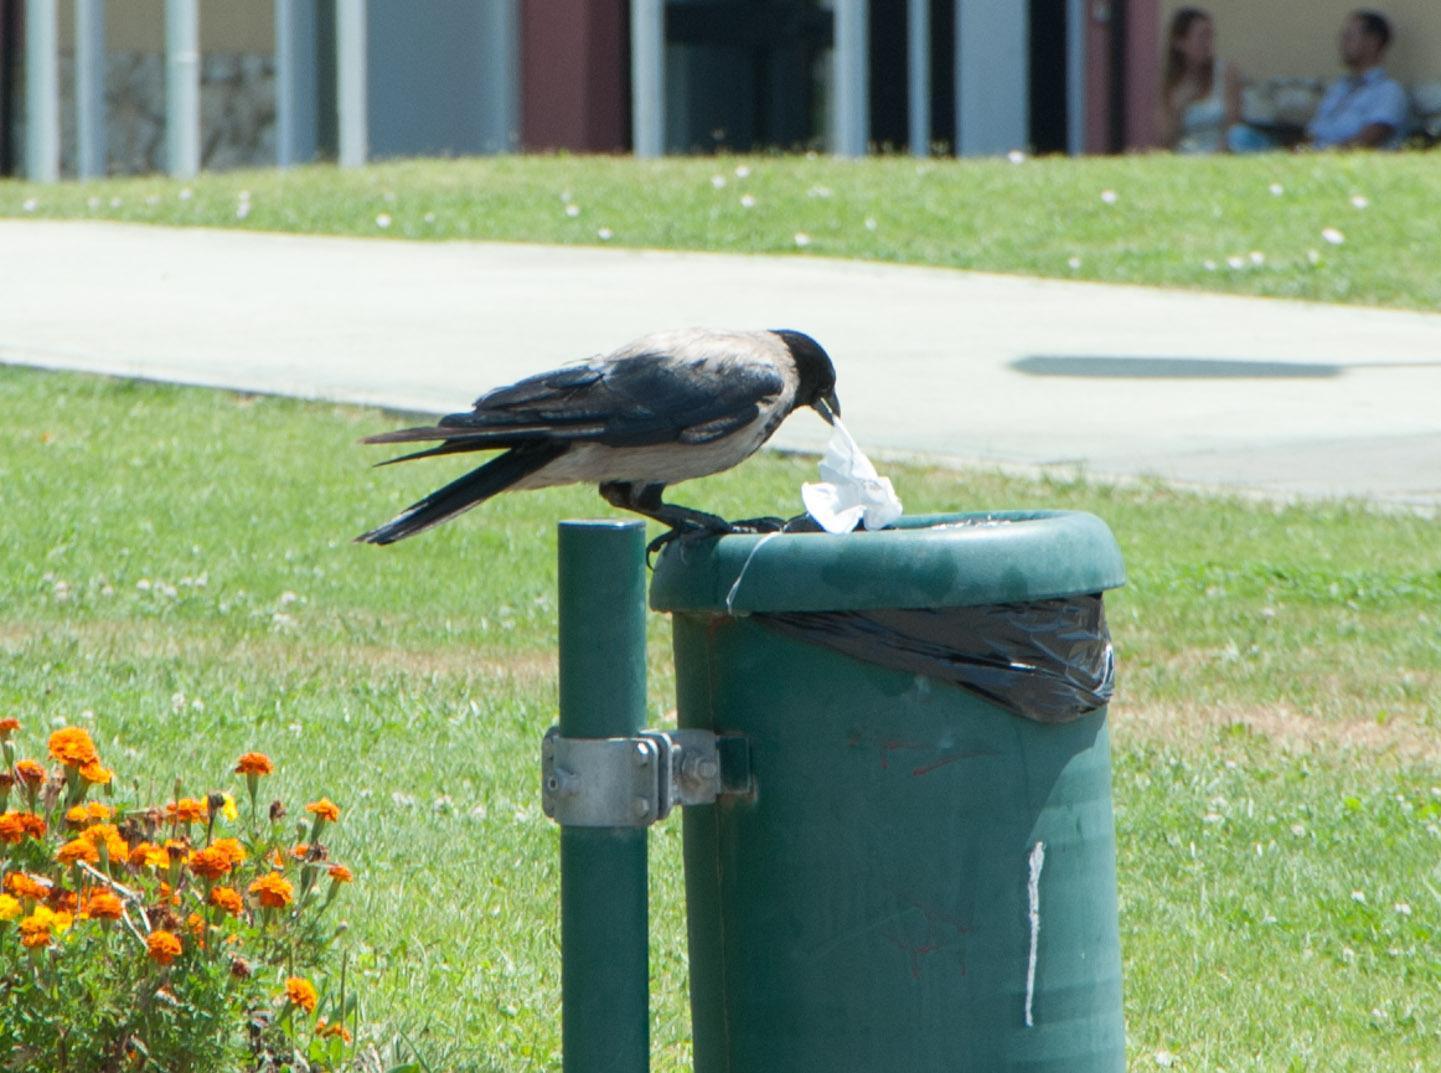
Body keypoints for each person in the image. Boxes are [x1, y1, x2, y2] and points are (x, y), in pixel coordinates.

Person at [1229, 10, 1410, 152]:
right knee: (1240, 136)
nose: (1342, 43)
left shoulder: (1388, 92)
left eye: (1349, 36)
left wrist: (1322, 156)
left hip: (1339, 161)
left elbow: (1368, 140)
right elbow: (1314, 132)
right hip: (1312, 156)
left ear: (1373, 42)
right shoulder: (1340, 87)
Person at [1158, 7, 1242, 153]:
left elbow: (1234, 127)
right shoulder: (1170, 82)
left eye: (1210, 36)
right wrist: (1177, 109)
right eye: (1201, 37)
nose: (1207, 44)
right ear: (1180, 42)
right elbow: (1163, 141)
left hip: (1221, 154)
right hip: (1184, 156)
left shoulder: (1226, 73)